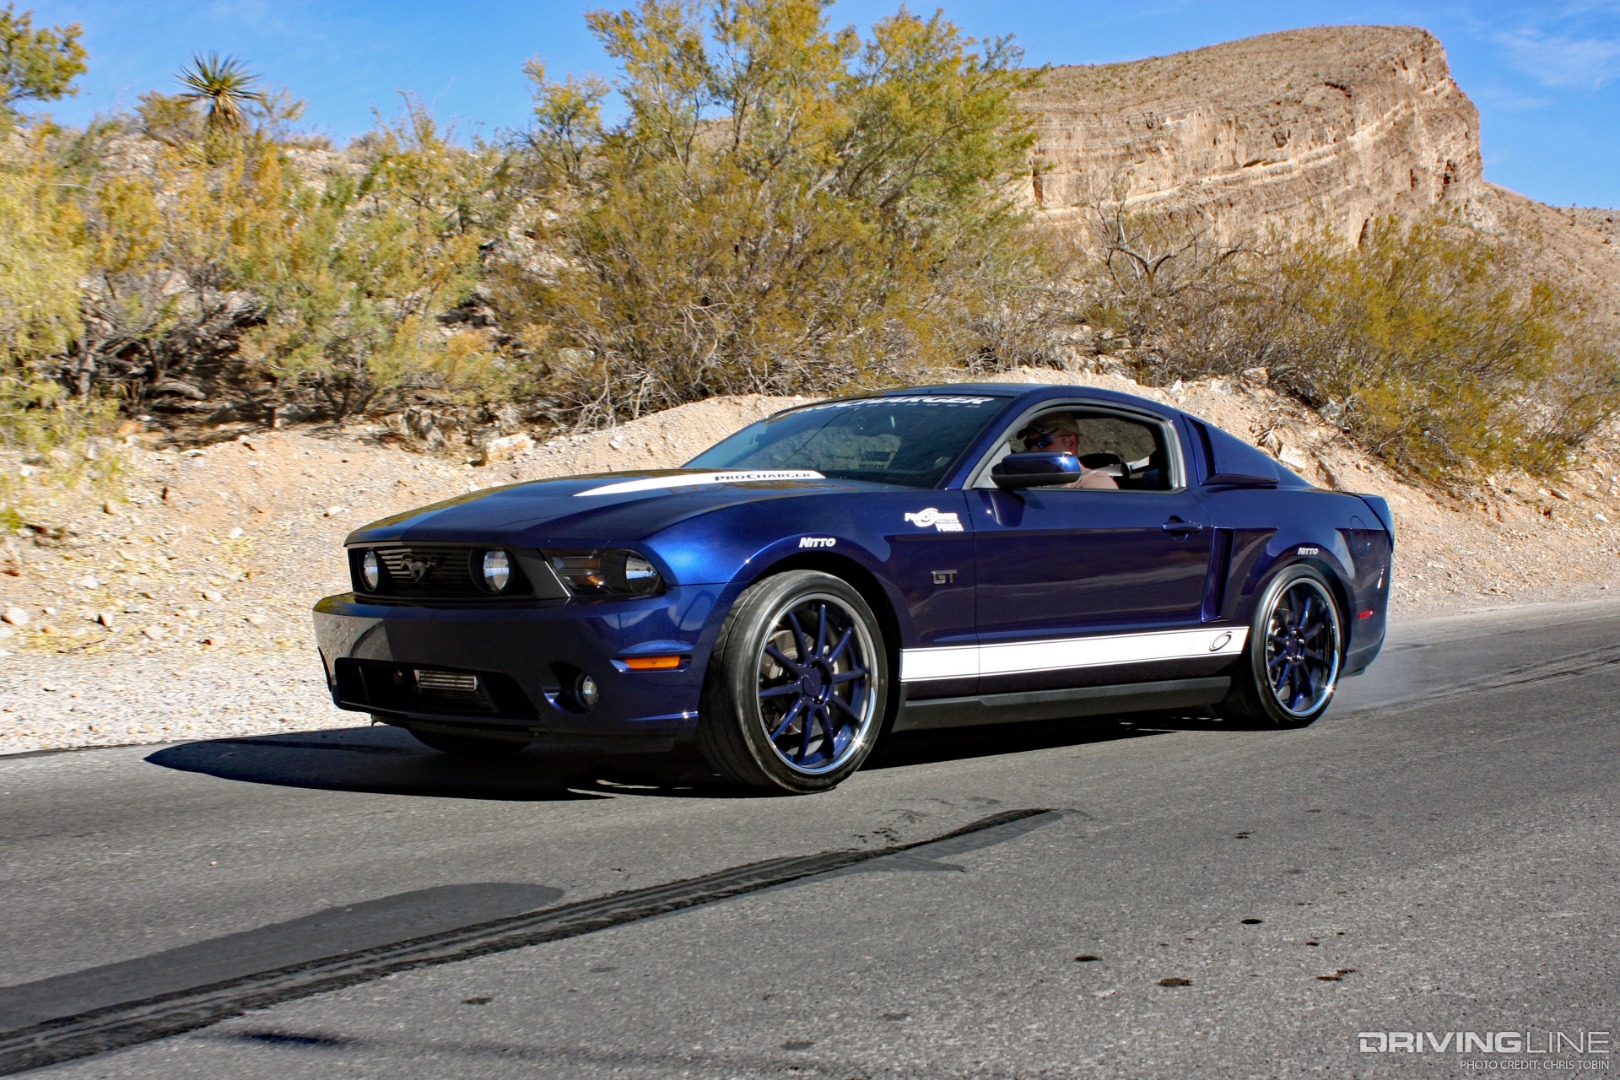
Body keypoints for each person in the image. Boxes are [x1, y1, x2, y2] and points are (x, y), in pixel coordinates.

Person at [1016, 415, 1119, 489]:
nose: (1033, 449)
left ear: (1071, 443)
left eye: (1042, 442)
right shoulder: (1027, 479)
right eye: (1029, 444)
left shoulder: (1094, 483)